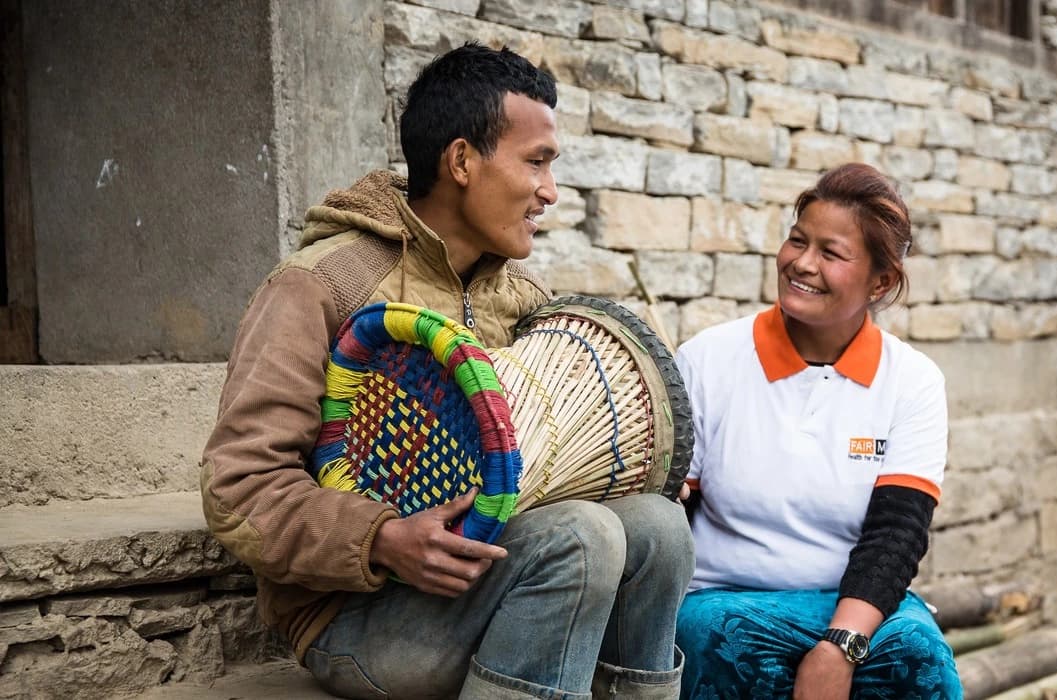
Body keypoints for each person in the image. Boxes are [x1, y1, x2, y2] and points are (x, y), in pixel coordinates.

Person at [200, 44, 693, 700]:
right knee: (580, 537)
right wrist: (381, 538)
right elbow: (239, 487)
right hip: (355, 616)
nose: (549, 191)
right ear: (462, 160)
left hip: (495, 583)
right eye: (536, 162)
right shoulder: (319, 285)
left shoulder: (524, 299)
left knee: (658, 528)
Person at [674, 163, 963, 699]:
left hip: (859, 608)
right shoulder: (708, 360)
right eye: (796, 241)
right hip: (724, 600)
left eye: (830, 253)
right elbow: (673, 504)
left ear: (882, 281)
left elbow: (896, 535)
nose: (801, 264)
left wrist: (840, 644)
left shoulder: (913, 381)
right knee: (715, 641)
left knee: (919, 659)